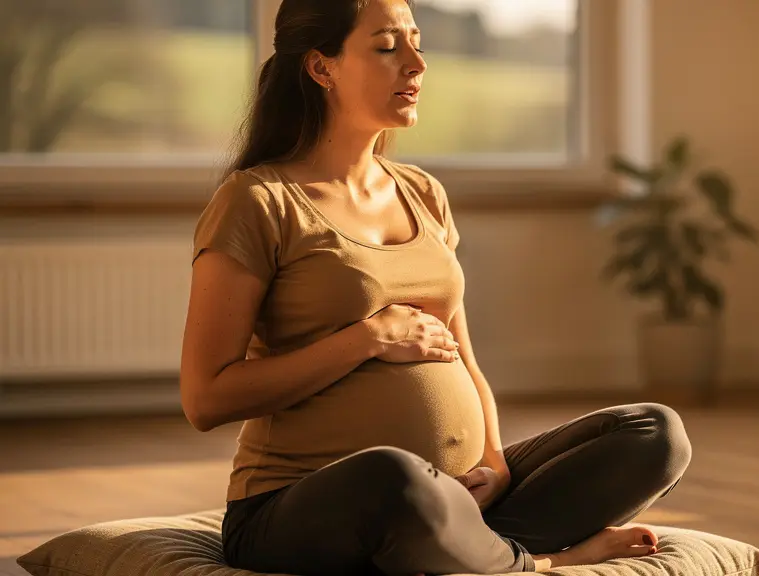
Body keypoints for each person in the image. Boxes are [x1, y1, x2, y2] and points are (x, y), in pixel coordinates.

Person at [179, 0, 692, 574]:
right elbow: (206, 399)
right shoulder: (257, 201)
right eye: (387, 46)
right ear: (322, 68)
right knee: (394, 478)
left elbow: (464, 359)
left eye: (417, 42)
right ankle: (536, 564)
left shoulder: (422, 192)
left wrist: (494, 463)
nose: (417, 63)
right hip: (311, 507)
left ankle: (473, 550)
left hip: (459, 500)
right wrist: (367, 338)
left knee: (654, 434)